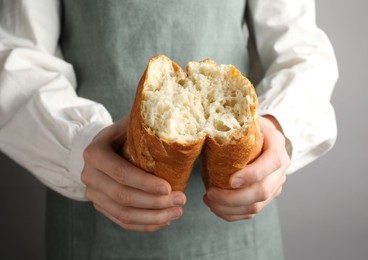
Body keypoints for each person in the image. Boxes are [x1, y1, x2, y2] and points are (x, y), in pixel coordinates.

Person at [0, 0, 338, 259]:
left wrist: (277, 126)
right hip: (92, 218)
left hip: (239, 233)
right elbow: (15, 52)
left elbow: (300, 47)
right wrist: (76, 145)